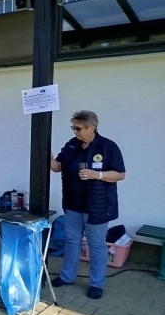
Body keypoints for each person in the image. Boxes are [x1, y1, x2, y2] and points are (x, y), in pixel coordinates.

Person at [50, 110, 125, 300]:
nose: (75, 131)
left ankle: (96, 284)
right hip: (73, 204)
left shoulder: (107, 146)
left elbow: (120, 174)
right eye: (73, 127)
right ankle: (67, 277)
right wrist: (49, 159)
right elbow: (58, 167)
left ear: (92, 128)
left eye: (79, 128)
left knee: (96, 244)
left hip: (97, 206)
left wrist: (97, 175)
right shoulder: (72, 145)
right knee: (71, 241)